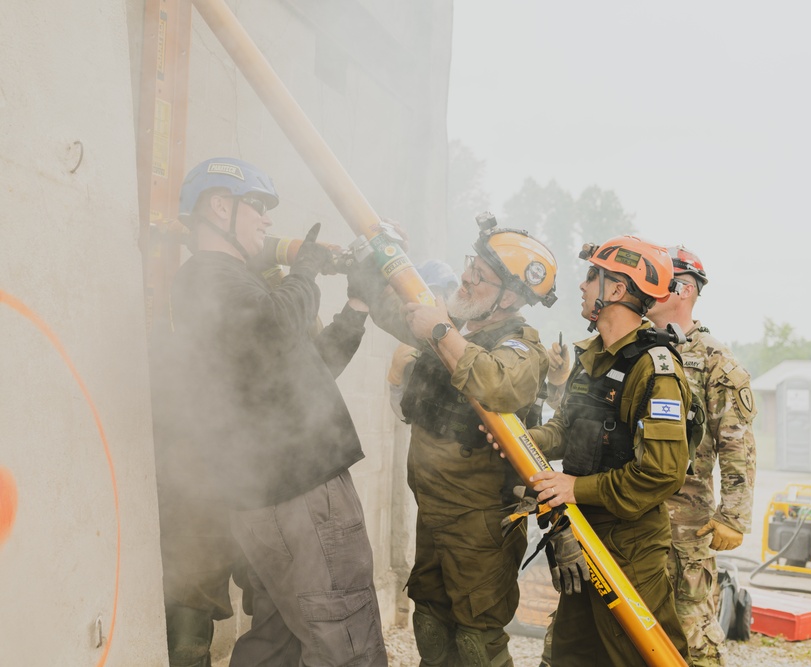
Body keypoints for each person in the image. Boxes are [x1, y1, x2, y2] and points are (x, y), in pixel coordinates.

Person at [152, 157, 386, 666]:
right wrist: (303, 270)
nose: (265, 220)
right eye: (257, 207)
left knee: (281, 641)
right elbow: (277, 325)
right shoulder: (208, 277)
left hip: (277, 494)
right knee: (346, 640)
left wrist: (357, 307)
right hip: (297, 488)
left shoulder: (238, 285)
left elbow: (309, 369)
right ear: (219, 206)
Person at [365, 213, 557, 667]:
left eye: (482, 275)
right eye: (472, 264)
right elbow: (383, 305)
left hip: (482, 521)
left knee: (477, 641)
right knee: (430, 622)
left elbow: (498, 385)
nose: (467, 276)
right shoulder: (452, 323)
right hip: (433, 507)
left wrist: (438, 329)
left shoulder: (521, 347)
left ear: (510, 296)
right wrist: (384, 254)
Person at [523, 235, 692, 666]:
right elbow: (566, 427)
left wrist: (576, 488)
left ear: (615, 290)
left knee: (641, 655)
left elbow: (660, 473)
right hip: (581, 536)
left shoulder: (656, 370)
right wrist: (523, 441)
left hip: (629, 548)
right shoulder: (592, 356)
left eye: (591, 277)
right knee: (570, 655)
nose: (582, 286)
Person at [645, 245, 756, 667]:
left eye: (657, 279)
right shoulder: (636, 346)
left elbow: (737, 442)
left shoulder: (714, 360)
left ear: (684, 289)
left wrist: (733, 516)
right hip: (628, 510)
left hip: (685, 523)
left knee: (692, 632)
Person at [385, 260, 460, 420]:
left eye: (445, 294)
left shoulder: (462, 337)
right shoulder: (409, 346)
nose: (439, 300)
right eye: (434, 293)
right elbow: (403, 415)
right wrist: (396, 380)